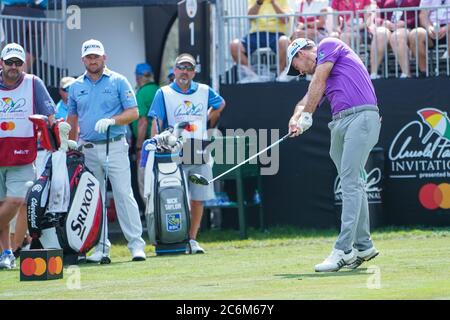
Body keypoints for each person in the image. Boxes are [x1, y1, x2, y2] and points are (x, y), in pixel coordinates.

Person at [285, 37, 381, 272]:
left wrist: (308, 116)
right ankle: (363, 245)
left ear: (300, 54)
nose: (298, 71)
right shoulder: (320, 78)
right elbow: (307, 98)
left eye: (295, 66)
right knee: (354, 184)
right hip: (339, 123)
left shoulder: (328, 45)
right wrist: (296, 117)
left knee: (349, 183)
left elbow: (318, 80)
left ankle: (343, 249)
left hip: (361, 117)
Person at [67, 39, 146, 262]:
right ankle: (101, 248)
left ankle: (136, 245)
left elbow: (133, 112)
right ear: (83, 59)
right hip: (88, 148)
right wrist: (71, 145)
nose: (93, 60)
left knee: (123, 194)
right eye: (89, 57)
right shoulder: (75, 86)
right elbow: (72, 118)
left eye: (96, 56)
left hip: (115, 146)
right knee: (94, 199)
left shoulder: (119, 81)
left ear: (104, 57)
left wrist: (112, 120)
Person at [149, 53, 226, 254]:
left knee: (198, 197)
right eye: (181, 68)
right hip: (173, 151)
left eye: (189, 68)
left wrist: (208, 119)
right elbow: (155, 122)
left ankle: (192, 239)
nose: (185, 72)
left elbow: (220, 104)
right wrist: (156, 144)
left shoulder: (203, 90)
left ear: (193, 72)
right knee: (175, 196)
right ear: (174, 71)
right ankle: (176, 238)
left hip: (199, 148)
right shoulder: (163, 92)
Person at [0, 43, 55, 270]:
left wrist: (55, 129)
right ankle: (6, 253)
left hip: (23, 153)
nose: (14, 67)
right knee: (2, 203)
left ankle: (11, 249)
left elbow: (50, 114)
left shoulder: (34, 83)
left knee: (16, 201)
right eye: (9, 62)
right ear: (1, 62)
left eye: (18, 63)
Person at [230, 0, 291, 74]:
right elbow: (250, 17)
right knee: (234, 45)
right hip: (256, 34)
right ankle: (252, 76)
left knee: (285, 42)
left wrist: (273, 3)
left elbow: (285, 20)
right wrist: (259, 2)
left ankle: (280, 75)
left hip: (276, 34)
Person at [369, 0, 421, 79]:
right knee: (380, 33)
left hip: (407, 28)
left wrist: (406, 22)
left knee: (397, 36)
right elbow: (376, 16)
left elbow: (421, 15)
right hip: (388, 28)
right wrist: (384, 22)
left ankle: (406, 74)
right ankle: (373, 74)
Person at [132, 63, 158, 202]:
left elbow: (143, 122)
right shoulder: (158, 89)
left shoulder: (141, 93)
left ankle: (150, 215)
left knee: (144, 181)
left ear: (138, 78)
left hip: (146, 145)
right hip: (160, 143)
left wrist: (138, 147)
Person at [1, 0, 48, 71]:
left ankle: (21, 79)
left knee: (34, 51)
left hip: (38, 10)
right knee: (13, 51)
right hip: (13, 9)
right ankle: (15, 79)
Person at [409, 0, 450, 77]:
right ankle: (424, 72)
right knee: (415, 34)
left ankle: (445, 65)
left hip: (448, 27)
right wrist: (428, 27)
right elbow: (423, 15)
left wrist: (446, 28)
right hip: (432, 28)